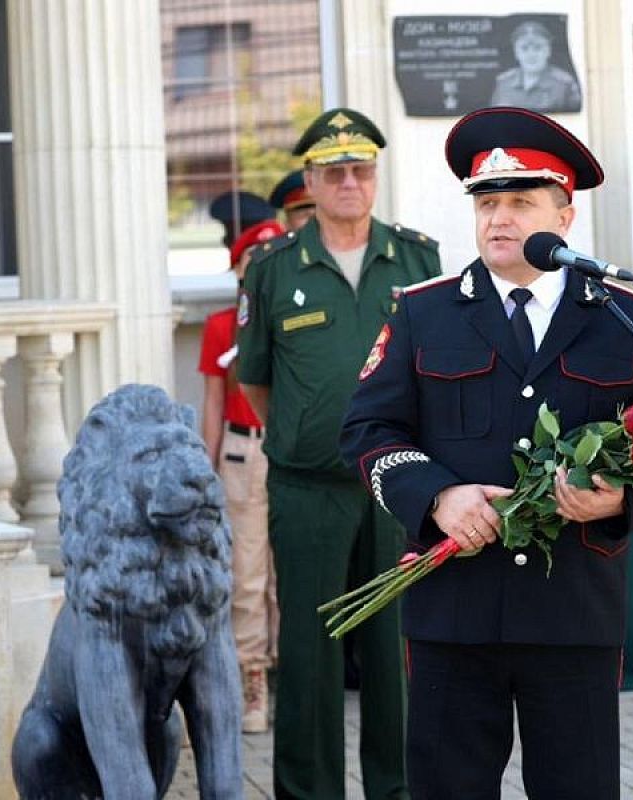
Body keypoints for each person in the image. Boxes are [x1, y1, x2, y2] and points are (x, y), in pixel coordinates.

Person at [340, 106, 633, 799]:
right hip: (453, 610)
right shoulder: (424, 312)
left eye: (520, 202)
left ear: (564, 217)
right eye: (487, 202)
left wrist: (623, 498)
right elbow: (367, 431)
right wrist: (440, 496)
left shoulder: (624, 315)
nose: (498, 219)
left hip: (572, 610)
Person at [236, 107, 441, 800]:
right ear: (311, 181)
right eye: (334, 172)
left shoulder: (418, 258)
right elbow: (258, 380)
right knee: (309, 658)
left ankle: (399, 789)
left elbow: (438, 370)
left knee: (394, 654)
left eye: (360, 169)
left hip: (398, 487)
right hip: (306, 493)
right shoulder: (271, 269)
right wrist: (309, 437)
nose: (349, 181)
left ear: (374, 177)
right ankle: (307, 791)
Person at [198, 190, 283, 734]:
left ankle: (288, 675)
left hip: (291, 451)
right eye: (257, 260)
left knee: (288, 577)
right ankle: (250, 679)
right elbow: (211, 401)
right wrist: (203, 472)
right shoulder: (223, 325)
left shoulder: (295, 319)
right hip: (241, 451)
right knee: (247, 575)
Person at [490, 21, 581, 112]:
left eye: (538, 48)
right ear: (516, 52)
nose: (531, 55)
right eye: (524, 48)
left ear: (548, 51)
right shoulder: (503, 84)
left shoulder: (564, 85)